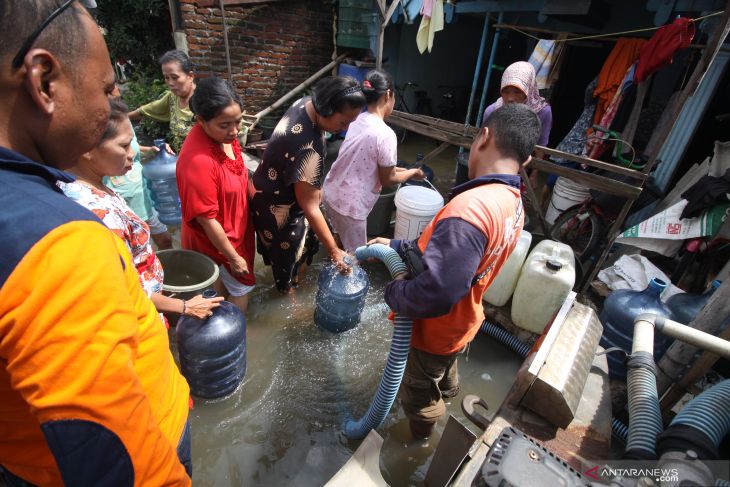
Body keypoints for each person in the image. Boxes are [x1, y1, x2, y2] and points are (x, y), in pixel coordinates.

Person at [0, 1, 192, 485]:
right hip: (155, 439)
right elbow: (113, 459)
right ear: (45, 81)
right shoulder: (59, 241)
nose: (112, 102)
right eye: (107, 88)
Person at [370, 104, 541, 439]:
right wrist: (397, 246)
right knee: (444, 371)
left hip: (434, 331)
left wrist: (394, 292)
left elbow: (438, 292)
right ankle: (446, 395)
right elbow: (450, 256)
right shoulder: (513, 200)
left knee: (419, 393)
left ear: (485, 137)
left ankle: (421, 438)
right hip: (463, 321)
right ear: (526, 160)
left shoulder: (470, 209)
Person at [61, 98, 222, 321]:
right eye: (124, 145)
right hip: (139, 318)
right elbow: (123, 289)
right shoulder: (94, 213)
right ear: (88, 147)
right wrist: (184, 306)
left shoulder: (95, 186)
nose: (132, 154)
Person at [250, 76, 366, 292]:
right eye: (343, 122)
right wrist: (334, 250)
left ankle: (295, 278)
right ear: (326, 108)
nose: (345, 129)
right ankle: (289, 294)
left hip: (265, 189)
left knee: (303, 246)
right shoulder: (307, 148)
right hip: (278, 210)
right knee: (288, 262)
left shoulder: (305, 104)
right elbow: (310, 207)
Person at [177, 77, 256, 313]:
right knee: (240, 289)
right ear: (201, 121)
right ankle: (236, 338)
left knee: (219, 292)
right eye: (225, 125)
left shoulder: (225, 137)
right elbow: (207, 219)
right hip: (217, 241)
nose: (234, 131)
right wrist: (233, 257)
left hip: (235, 228)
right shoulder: (198, 162)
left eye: (238, 121)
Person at [322, 70, 424, 252]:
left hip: (331, 192)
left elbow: (375, 165)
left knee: (339, 239)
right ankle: (344, 274)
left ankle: (336, 257)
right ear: (388, 95)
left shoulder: (356, 119)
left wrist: (404, 171)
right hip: (350, 207)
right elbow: (388, 179)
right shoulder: (385, 134)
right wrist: (413, 173)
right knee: (355, 257)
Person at [106, 85, 174, 250]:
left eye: (119, 100)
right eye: (111, 99)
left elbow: (133, 146)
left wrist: (149, 150)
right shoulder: (97, 128)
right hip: (122, 200)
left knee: (165, 241)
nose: (118, 105)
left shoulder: (123, 119)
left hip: (143, 195)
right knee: (138, 249)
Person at [129, 50, 196, 153]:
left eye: (174, 77)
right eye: (166, 78)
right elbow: (145, 111)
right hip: (182, 162)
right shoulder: (172, 98)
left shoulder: (203, 100)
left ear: (190, 76)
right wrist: (117, 118)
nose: (170, 83)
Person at [482, 61, 552, 148]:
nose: (510, 98)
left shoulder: (543, 112)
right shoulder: (492, 111)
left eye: (517, 92)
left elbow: (541, 146)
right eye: (506, 92)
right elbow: (485, 145)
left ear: (529, 90)